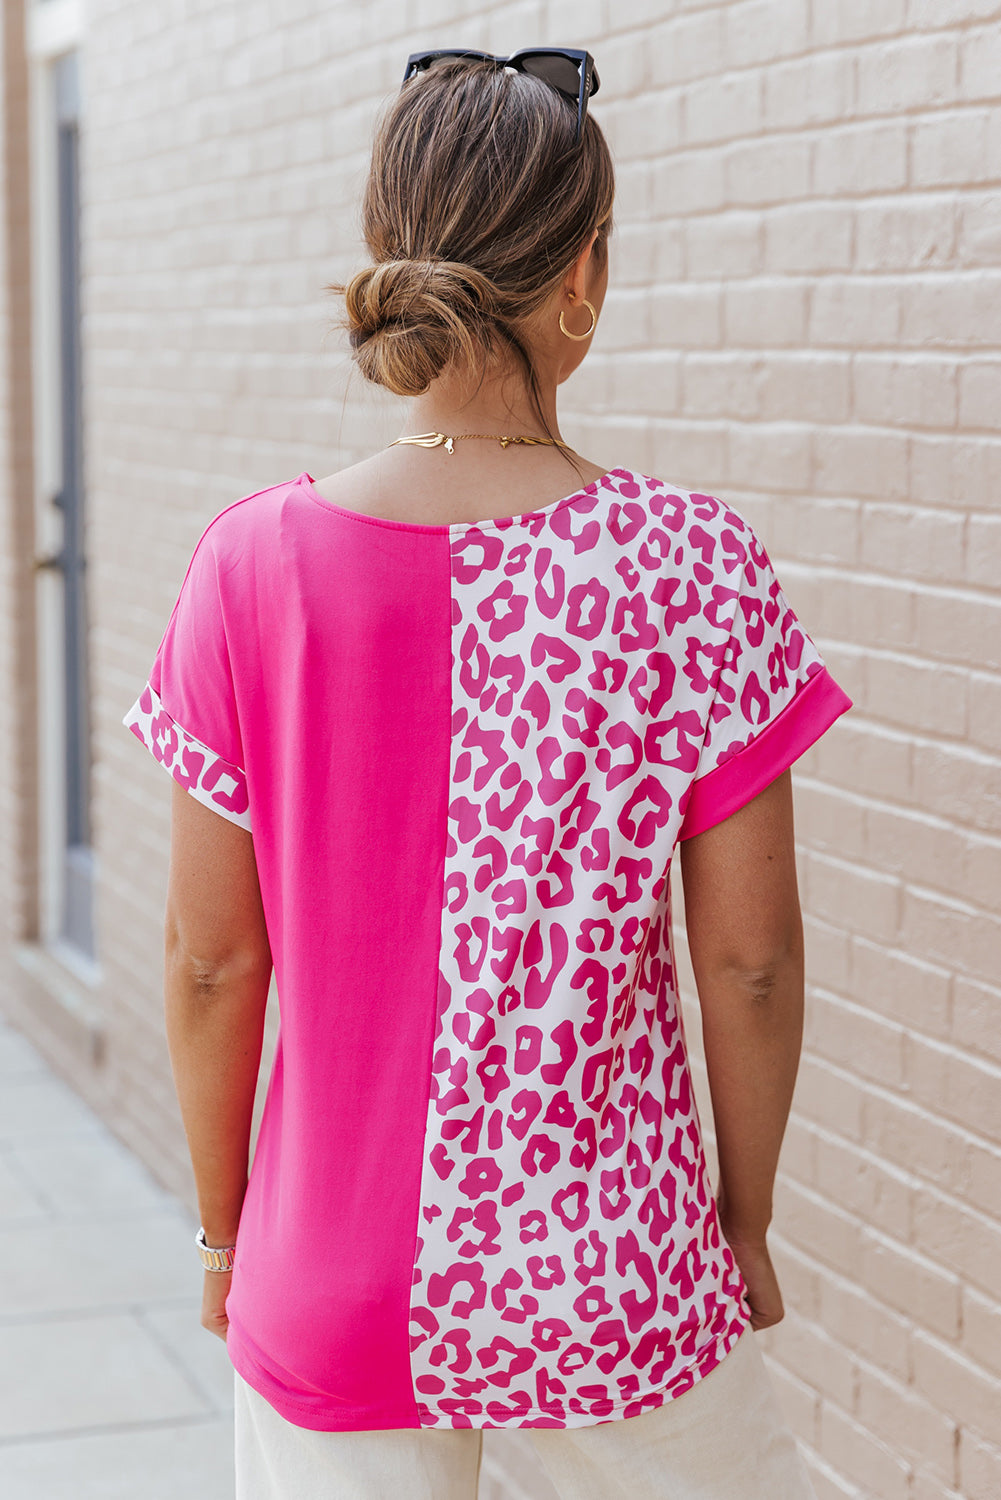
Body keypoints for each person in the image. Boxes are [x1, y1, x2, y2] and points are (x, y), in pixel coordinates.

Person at [122, 47, 851, 1500]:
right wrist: (740, 1220)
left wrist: (225, 1233)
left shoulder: (251, 563)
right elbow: (749, 962)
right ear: (583, 275)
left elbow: (213, 962)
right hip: (615, 1265)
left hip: (331, 1265)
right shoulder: (687, 567)